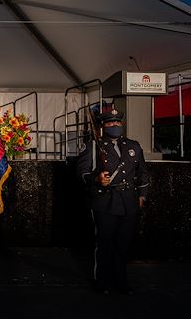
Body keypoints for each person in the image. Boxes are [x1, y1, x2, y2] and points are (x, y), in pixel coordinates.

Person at [76, 108, 148, 296]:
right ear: (103, 126)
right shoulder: (92, 146)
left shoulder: (134, 146)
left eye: (117, 123)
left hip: (129, 201)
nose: (115, 126)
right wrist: (96, 179)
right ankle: (103, 283)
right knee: (105, 243)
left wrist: (142, 195)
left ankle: (121, 282)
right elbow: (82, 172)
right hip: (104, 201)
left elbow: (143, 173)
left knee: (123, 244)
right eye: (110, 123)